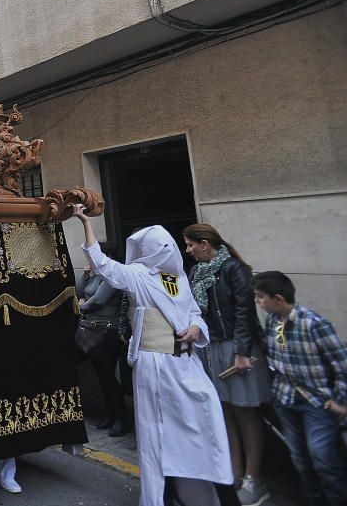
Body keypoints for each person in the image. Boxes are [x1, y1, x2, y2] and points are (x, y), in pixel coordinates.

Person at [72, 206, 231, 506]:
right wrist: (86, 223)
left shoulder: (175, 277)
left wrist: (196, 328)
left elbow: (193, 311)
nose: (171, 250)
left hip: (185, 363)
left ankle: (202, 489)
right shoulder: (137, 275)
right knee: (158, 433)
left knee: (202, 421)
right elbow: (103, 264)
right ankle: (163, 494)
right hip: (155, 365)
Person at [183, 224, 271, 505]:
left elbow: (245, 310)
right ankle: (233, 470)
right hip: (210, 347)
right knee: (224, 411)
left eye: (190, 245)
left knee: (245, 412)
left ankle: (254, 478)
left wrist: (242, 351)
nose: (189, 251)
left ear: (205, 244)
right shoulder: (196, 272)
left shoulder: (234, 268)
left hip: (236, 347)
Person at [252, 271, 347, 505]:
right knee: (299, 457)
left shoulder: (314, 324)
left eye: (260, 296)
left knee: (323, 458)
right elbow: (277, 353)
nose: (257, 301)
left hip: (317, 402)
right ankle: (312, 499)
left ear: (278, 298)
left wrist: (340, 400)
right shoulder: (273, 321)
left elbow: (342, 365)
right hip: (285, 398)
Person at [76, 256, 131, 437]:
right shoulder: (96, 275)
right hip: (93, 329)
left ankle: (121, 419)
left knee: (108, 376)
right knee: (101, 375)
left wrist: (81, 308)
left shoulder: (112, 277)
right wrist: (85, 275)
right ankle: (110, 416)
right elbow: (79, 291)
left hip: (108, 331)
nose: (90, 262)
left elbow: (99, 300)